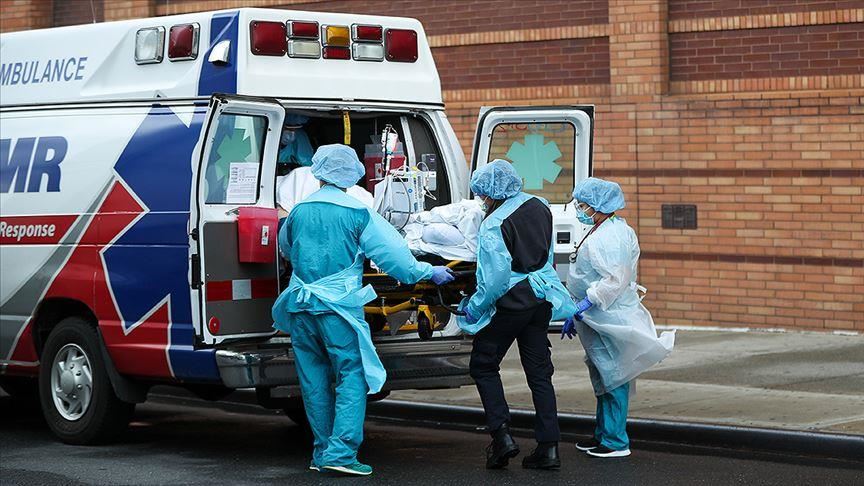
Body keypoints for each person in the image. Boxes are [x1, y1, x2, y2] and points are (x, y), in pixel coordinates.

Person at [271, 144, 455, 476]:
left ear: (319, 171)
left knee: (313, 379)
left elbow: (286, 248)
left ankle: (322, 451)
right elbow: (396, 260)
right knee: (351, 375)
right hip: (337, 308)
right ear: (351, 175)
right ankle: (341, 453)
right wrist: (429, 271)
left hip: (300, 305)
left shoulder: (298, 211)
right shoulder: (358, 212)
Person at [457, 159, 577, 470]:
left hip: (511, 303)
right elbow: (547, 254)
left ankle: (501, 437)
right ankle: (549, 448)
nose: (482, 200)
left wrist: (474, 308)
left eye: (483, 195)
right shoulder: (540, 205)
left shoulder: (493, 224)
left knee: (483, 364)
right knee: (539, 373)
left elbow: (495, 281)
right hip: (540, 296)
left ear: (491, 192)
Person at [561, 177, 675, 458]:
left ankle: (615, 441)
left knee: (614, 374)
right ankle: (603, 432)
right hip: (598, 316)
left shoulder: (611, 236)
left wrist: (587, 301)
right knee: (603, 373)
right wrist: (577, 309)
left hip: (609, 314)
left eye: (583, 204)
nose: (579, 209)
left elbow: (615, 279)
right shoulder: (603, 229)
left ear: (598, 205)